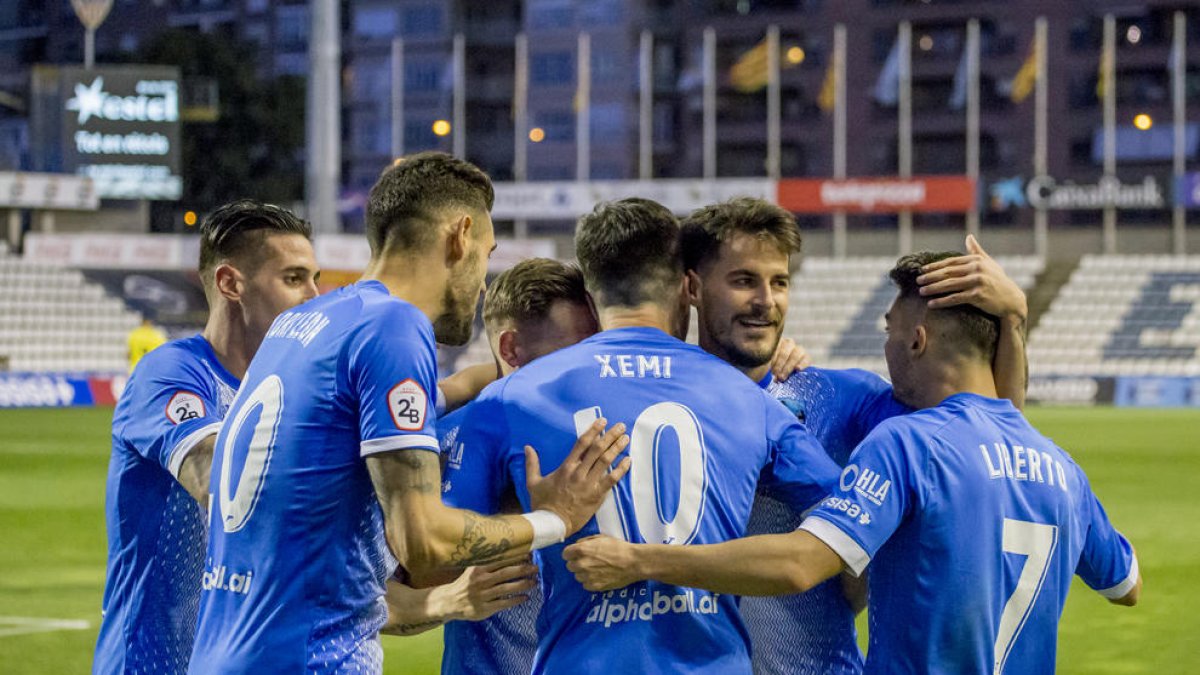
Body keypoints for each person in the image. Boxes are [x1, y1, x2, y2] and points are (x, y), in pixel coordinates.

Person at [565, 250, 1141, 675]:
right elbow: (1127, 586)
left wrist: (639, 560)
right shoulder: (1062, 468)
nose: (885, 347)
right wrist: (1013, 320)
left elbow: (799, 565)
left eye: (889, 331)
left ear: (917, 340)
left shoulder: (908, 444)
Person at [187, 152, 629, 674]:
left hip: (227, 653)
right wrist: (555, 518)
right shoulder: (395, 326)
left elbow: (435, 397)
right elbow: (422, 542)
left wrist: (538, 372)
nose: (482, 282)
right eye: (486, 255)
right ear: (460, 236)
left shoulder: (306, 324)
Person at [443, 198, 840, 674]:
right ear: (686, 287)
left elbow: (434, 558)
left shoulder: (509, 399)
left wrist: (539, 518)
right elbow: (845, 531)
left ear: (591, 295)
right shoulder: (749, 399)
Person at [678, 198, 1030, 674]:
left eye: (779, 282)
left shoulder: (838, 397)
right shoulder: (662, 405)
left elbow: (989, 428)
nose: (766, 300)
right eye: (743, 281)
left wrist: (1013, 317)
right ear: (693, 287)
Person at [95, 200, 321, 674]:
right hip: (149, 665)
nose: (314, 296)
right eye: (295, 279)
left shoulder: (286, 389)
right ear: (230, 283)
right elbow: (219, 480)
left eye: (313, 279)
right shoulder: (171, 372)